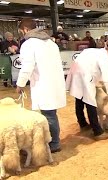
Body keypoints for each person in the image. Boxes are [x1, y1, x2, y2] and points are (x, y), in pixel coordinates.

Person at [15, 18, 67, 153]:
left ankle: (54, 144)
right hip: (53, 82)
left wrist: (20, 84)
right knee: (50, 113)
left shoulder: (29, 44)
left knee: (48, 115)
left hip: (44, 83)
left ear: (25, 29)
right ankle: (52, 141)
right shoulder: (50, 42)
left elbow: (27, 66)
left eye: (21, 31)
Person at [66, 46, 108, 140]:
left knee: (79, 99)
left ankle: (83, 123)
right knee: (91, 102)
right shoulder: (103, 56)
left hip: (77, 75)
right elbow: (107, 75)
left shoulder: (90, 50)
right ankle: (98, 132)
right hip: (86, 77)